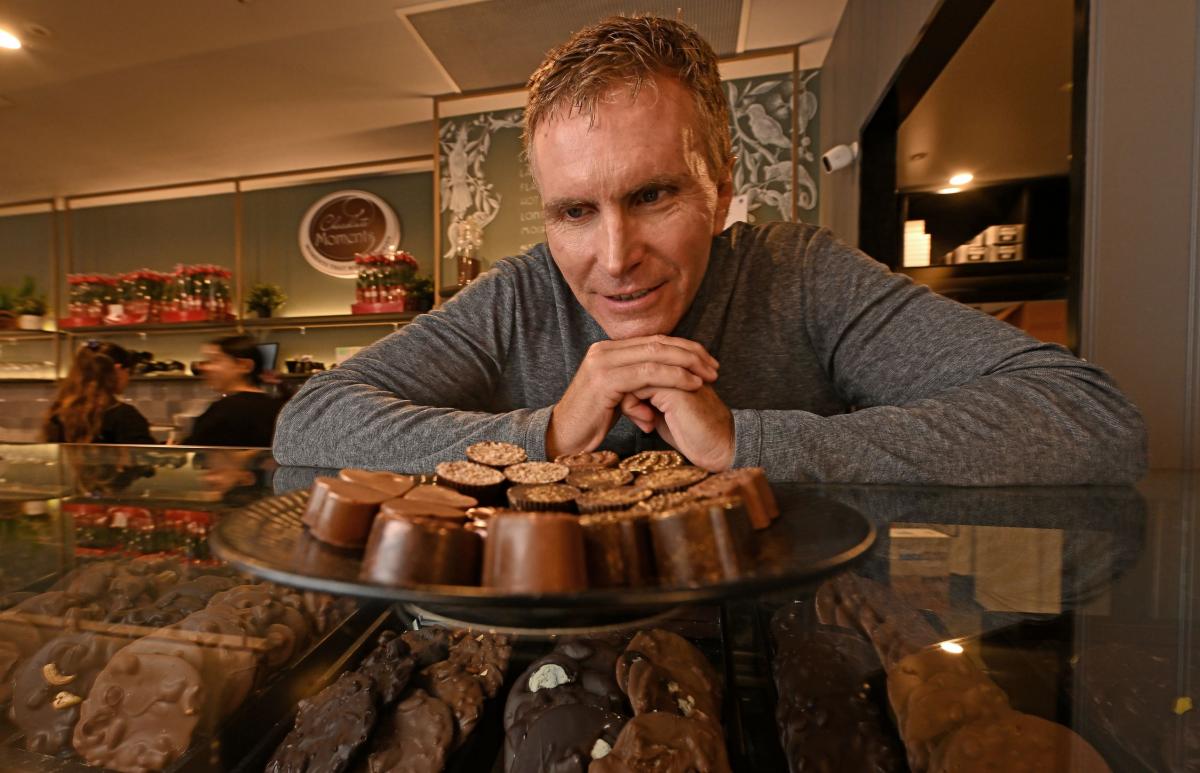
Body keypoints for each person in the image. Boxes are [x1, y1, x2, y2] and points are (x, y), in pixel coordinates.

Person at [273, 16, 1146, 484]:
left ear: (720, 188)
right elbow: (309, 420)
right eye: (575, 210)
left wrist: (744, 442)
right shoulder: (518, 296)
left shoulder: (799, 275)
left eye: (652, 196)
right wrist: (551, 430)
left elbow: (1089, 422)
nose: (614, 257)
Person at [183, 335, 287, 447]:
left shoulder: (225, 409)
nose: (204, 368)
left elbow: (195, 452)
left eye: (215, 360)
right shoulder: (278, 408)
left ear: (245, 366)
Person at [44, 341, 155, 444]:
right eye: (129, 372)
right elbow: (142, 459)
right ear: (117, 369)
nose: (129, 378)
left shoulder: (59, 412)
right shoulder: (124, 416)